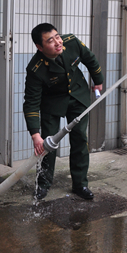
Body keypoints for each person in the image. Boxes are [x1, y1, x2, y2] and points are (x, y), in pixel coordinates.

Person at [23, 23, 104, 200]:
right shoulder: (35, 69)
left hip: (77, 96)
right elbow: (31, 103)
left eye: (57, 36)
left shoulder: (71, 42)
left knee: (80, 139)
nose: (58, 42)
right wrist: (35, 135)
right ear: (40, 47)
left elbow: (90, 59)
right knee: (47, 144)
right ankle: (43, 184)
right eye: (50, 41)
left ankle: (80, 184)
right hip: (52, 103)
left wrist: (98, 80)